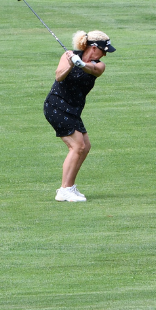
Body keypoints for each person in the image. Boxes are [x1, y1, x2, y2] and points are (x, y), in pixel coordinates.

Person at [44, 30, 114, 202]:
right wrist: (70, 63)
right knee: (77, 146)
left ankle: (70, 186)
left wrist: (81, 64)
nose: (105, 54)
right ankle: (64, 189)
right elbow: (59, 76)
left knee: (86, 146)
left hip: (74, 110)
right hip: (56, 106)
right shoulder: (68, 56)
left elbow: (94, 70)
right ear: (93, 47)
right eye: (103, 50)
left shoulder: (99, 64)